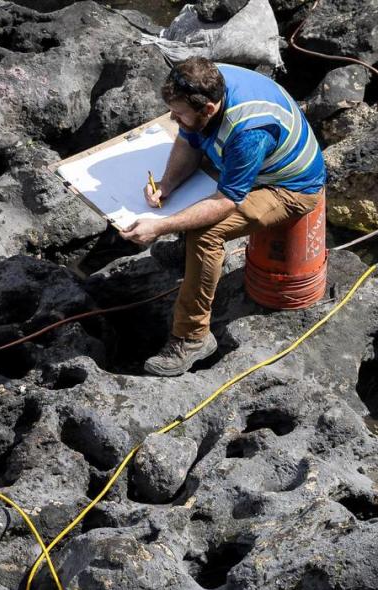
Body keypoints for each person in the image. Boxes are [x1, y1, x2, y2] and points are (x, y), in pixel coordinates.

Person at [121, 57, 326, 376]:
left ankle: (192, 338)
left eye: (179, 113)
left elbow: (226, 201)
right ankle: (187, 254)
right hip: (252, 163)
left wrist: (160, 227)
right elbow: (190, 140)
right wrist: (167, 184)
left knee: (205, 234)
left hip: (291, 187)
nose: (173, 118)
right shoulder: (207, 81)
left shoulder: (248, 132)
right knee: (188, 189)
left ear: (209, 110)